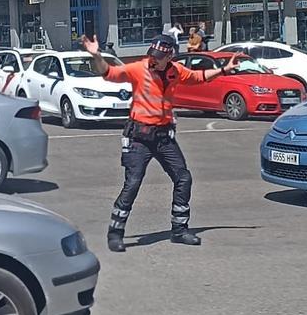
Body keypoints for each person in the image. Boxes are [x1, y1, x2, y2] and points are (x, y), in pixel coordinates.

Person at [81, 33, 243, 252]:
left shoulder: (176, 71)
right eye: (153, 55)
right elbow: (108, 73)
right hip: (138, 136)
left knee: (183, 178)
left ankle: (179, 229)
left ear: (170, 56)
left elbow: (199, 77)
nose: (154, 59)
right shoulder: (139, 68)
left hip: (164, 136)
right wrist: (97, 55)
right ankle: (116, 232)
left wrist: (224, 69)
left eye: (159, 56)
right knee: (133, 183)